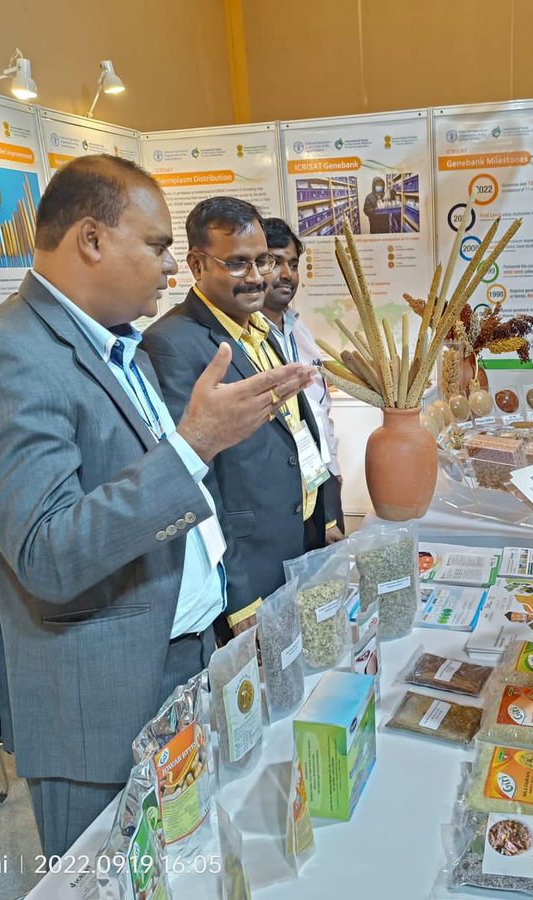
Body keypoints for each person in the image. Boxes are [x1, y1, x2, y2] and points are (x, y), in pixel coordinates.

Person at [0, 156, 315, 856]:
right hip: (99, 695)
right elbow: (49, 553)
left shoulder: (125, 349)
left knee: (184, 857)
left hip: (183, 655)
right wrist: (196, 443)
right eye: (158, 246)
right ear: (91, 239)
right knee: (112, 870)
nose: (171, 269)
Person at [143, 197, 341, 641]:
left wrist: (323, 514)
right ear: (196, 264)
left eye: (262, 261)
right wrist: (239, 591)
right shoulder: (172, 345)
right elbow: (197, 476)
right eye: (236, 264)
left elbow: (296, 427)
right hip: (249, 561)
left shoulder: (258, 325)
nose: (256, 278)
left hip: (297, 531)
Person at [260, 217, 344, 537]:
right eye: (274, 262)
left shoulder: (301, 331)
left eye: (293, 264)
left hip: (324, 485)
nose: (286, 274)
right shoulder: (244, 342)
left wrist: (333, 476)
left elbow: (320, 412)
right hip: (288, 501)